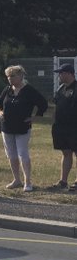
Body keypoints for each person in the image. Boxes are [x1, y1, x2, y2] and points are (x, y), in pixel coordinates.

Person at [0, 65, 48, 192]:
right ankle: (16, 180)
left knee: (23, 154)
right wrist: (0, 113)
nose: (10, 79)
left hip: (22, 127)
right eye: (8, 76)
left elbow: (43, 104)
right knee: (11, 154)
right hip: (6, 127)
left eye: (12, 76)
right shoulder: (8, 89)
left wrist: (34, 118)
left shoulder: (29, 90)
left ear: (21, 76)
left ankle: (28, 181)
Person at [50, 64, 77, 192]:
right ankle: (63, 181)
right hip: (61, 126)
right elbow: (56, 105)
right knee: (66, 152)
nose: (59, 75)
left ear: (69, 74)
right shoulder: (60, 88)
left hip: (74, 126)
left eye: (61, 73)